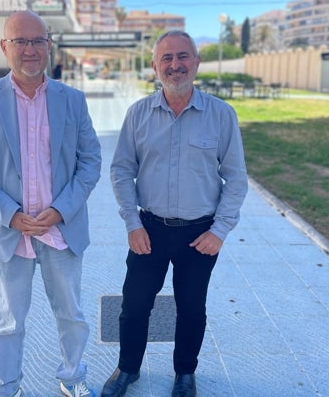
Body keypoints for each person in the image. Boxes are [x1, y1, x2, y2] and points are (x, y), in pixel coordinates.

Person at [0, 10, 102, 397]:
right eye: (20, 41)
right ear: (4, 47)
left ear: (49, 46)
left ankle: (72, 378)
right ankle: (6, 387)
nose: (29, 49)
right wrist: (11, 214)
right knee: (9, 321)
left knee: (71, 315)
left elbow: (90, 161)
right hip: (10, 233)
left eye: (38, 40)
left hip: (61, 230)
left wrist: (63, 209)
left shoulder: (72, 100)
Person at [102, 31, 248, 397]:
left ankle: (185, 373)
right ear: (154, 66)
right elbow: (121, 170)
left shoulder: (221, 115)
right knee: (134, 306)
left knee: (191, 309)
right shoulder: (138, 114)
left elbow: (236, 178)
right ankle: (128, 368)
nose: (175, 64)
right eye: (166, 58)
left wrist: (220, 231)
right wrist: (132, 224)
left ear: (196, 63)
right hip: (149, 229)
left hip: (199, 235)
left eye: (183, 56)